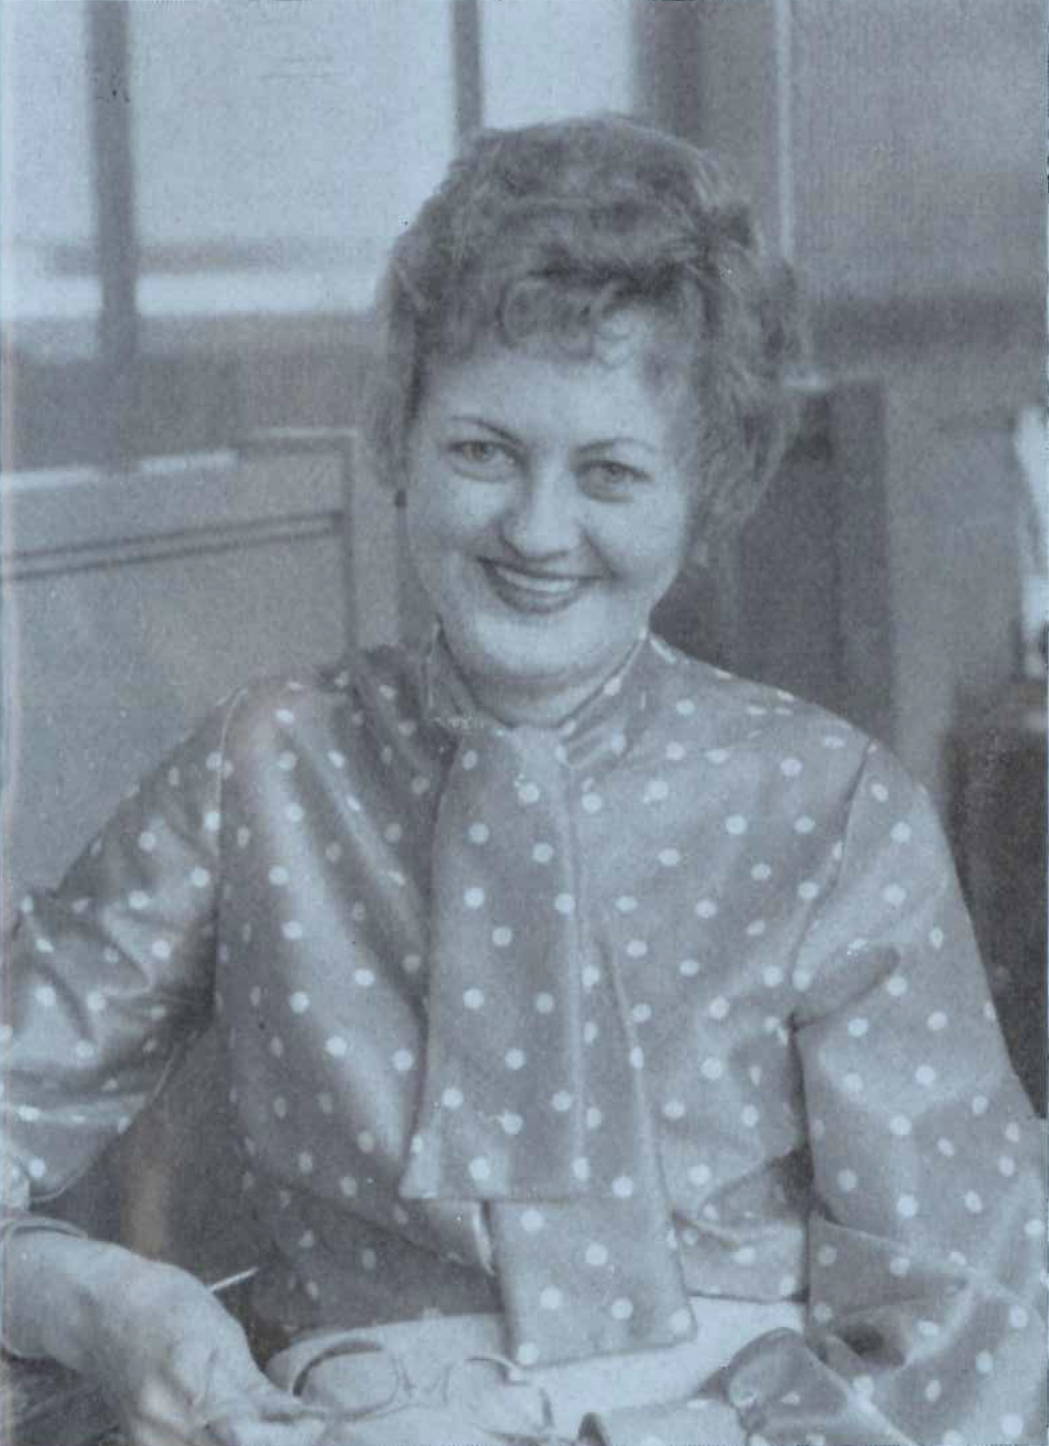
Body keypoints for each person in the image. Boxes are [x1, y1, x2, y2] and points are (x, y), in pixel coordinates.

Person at [1, 115, 1045, 1446]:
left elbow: (969, 1307)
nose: (537, 530)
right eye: (482, 450)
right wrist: (84, 1293)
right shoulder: (257, 772)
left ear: (702, 491)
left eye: (609, 471)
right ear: (399, 434)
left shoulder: (826, 810)